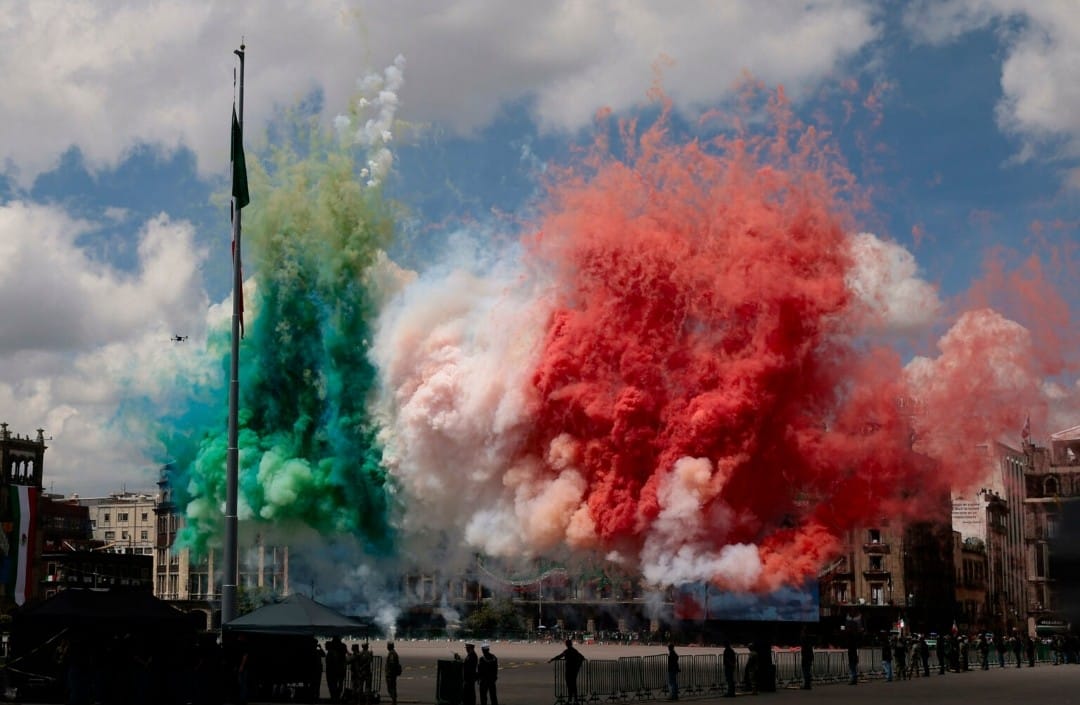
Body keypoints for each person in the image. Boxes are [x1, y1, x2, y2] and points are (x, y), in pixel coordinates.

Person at [548, 639, 585, 704]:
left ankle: (570, 699)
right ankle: (575, 700)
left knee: (569, 685)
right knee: (574, 685)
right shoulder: (575, 651)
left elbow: (559, 656)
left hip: (569, 670)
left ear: (566, 644)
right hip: (574, 670)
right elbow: (582, 657)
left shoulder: (567, 651)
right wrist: (578, 667)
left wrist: (552, 659)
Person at [325, 636, 347, 703]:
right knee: (340, 683)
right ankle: (338, 696)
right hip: (341, 668)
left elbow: (334, 660)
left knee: (332, 684)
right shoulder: (343, 647)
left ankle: (334, 697)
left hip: (332, 670)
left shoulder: (332, 650)